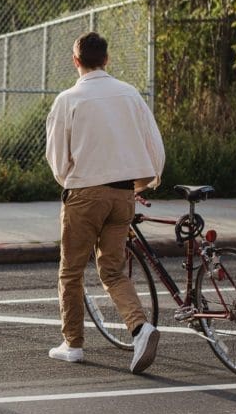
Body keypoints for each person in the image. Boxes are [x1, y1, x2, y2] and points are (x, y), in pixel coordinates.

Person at [45, 31, 165, 374]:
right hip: (123, 194)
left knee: (71, 271)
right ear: (107, 59)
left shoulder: (68, 99)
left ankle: (73, 344)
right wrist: (143, 183)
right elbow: (153, 144)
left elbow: (57, 158)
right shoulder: (130, 95)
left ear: (76, 61)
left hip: (85, 194)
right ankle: (141, 329)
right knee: (112, 270)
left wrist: (72, 180)